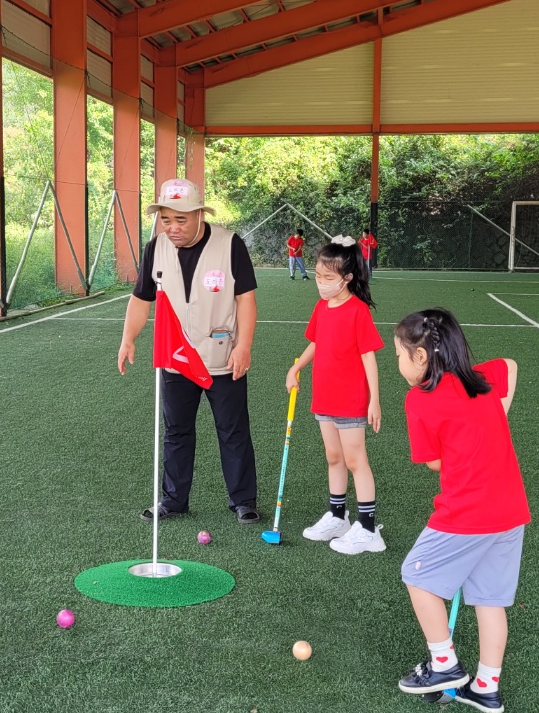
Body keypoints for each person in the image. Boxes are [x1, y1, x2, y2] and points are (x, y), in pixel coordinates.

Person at [391, 308, 528, 713]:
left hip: (466, 510)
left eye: (398, 354)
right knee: (489, 600)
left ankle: (444, 664)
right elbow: (511, 365)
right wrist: (497, 411)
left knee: (415, 573)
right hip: (510, 510)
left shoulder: (418, 400)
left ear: (420, 357)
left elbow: (434, 463)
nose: (396, 363)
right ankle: (486, 689)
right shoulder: (481, 379)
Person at [118, 178, 261, 524]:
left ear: (199, 215)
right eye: (166, 220)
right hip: (176, 360)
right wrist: (127, 339)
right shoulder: (155, 248)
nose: (172, 228)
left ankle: (243, 501)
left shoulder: (230, 245)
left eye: (180, 220)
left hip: (222, 357)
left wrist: (244, 346)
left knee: (233, 430)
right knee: (176, 432)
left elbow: (246, 300)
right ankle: (173, 499)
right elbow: (141, 299)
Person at [287, 237, 385, 555]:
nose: (321, 283)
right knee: (334, 457)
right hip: (324, 396)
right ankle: (338, 517)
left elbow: (369, 356)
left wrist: (374, 399)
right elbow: (316, 342)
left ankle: (369, 528)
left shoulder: (358, 311)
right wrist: (297, 367)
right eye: (318, 276)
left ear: (347, 279)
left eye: (328, 278)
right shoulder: (321, 307)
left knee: (356, 460)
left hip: (351, 398)